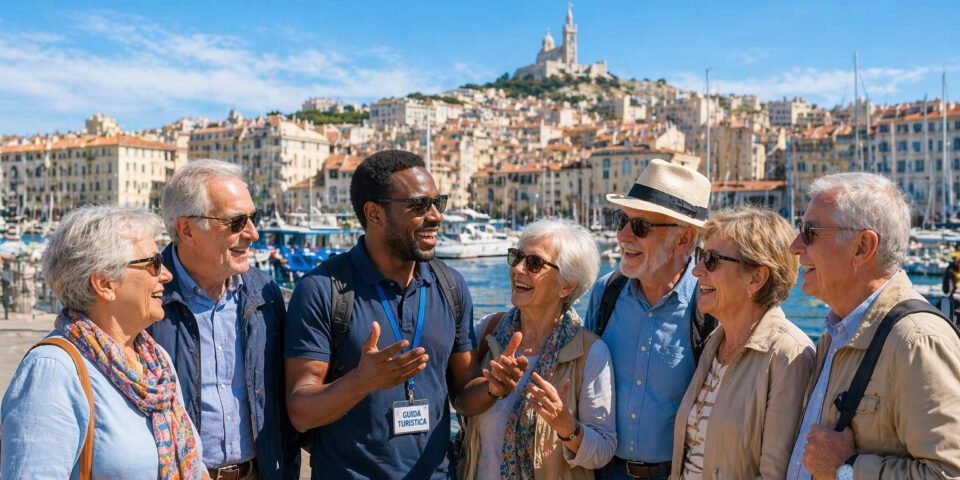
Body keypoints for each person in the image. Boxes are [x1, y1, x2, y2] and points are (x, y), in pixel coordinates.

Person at [284, 150, 524, 479]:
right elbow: (300, 411)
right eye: (419, 206)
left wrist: (493, 388)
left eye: (438, 202)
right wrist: (361, 381)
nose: (436, 216)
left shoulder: (450, 286)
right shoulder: (322, 290)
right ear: (374, 214)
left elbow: (464, 394)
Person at [1, 205, 206, 478]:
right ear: (105, 284)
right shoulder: (52, 371)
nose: (166, 275)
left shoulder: (156, 362)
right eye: (154, 264)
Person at [785, 172, 960, 480]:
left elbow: (947, 473)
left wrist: (845, 470)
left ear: (862, 247)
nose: (795, 246)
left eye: (809, 232)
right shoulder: (836, 334)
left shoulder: (916, 341)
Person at [148, 159, 300, 479]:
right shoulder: (146, 297)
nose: (253, 233)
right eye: (236, 222)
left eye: (252, 218)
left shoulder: (265, 292)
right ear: (187, 229)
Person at [584, 159, 716, 480]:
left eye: (640, 227)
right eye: (621, 220)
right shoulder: (606, 292)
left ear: (683, 240)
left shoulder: (710, 305)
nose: (623, 236)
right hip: (604, 471)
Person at [458, 218, 616, 479]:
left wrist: (567, 426)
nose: (518, 269)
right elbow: (458, 397)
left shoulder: (590, 353)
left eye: (534, 263)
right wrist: (490, 389)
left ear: (567, 285)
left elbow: (603, 451)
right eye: (517, 257)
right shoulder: (489, 331)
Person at [668, 206, 815, 479]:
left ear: (756, 277)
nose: (697, 270)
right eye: (700, 256)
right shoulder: (716, 342)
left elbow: (776, 474)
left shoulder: (788, 355)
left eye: (711, 260)